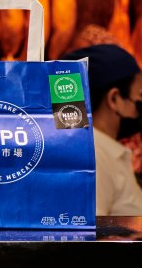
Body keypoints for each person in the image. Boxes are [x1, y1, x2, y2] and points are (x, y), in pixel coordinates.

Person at [60, 43, 142, 215]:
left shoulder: (100, 151)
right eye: (139, 97)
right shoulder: (94, 157)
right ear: (114, 99)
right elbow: (88, 226)